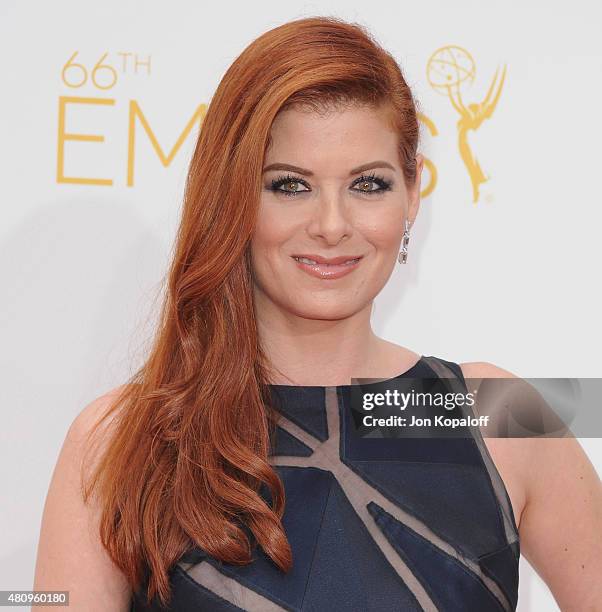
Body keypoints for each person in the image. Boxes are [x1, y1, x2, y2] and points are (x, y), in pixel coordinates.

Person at [33, 15, 601, 612]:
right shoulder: (117, 440)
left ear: (412, 192)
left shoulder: (499, 412)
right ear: (231, 198)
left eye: (369, 184)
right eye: (290, 186)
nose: (331, 226)